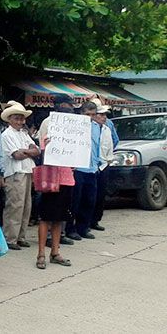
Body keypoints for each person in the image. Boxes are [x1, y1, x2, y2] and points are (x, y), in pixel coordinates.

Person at [36, 95, 76, 269]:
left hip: (67, 176)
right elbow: (43, 148)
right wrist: (51, 145)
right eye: (67, 105)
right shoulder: (48, 122)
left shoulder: (74, 125)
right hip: (51, 176)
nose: (69, 108)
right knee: (46, 216)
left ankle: (55, 252)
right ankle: (41, 254)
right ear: (59, 106)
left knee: (60, 217)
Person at [1, 101, 40, 251]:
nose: (20, 121)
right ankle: (10, 237)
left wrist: (25, 151)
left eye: (21, 118)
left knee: (26, 206)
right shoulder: (7, 135)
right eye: (16, 118)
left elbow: (36, 151)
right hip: (15, 173)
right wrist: (28, 151)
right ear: (10, 119)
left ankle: (20, 236)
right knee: (15, 206)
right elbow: (16, 155)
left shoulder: (24, 133)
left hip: (27, 171)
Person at [66, 101, 102, 241]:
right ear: (81, 113)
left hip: (92, 168)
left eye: (93, 114)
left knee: (89, 200)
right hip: (78, 168)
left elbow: (96, 146)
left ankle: (83, 228)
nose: (90, 117)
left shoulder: (96, 127)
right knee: (75, 201)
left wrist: (98, 163)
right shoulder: (74, 126)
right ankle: (71, 229)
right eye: (87, 114)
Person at [91, 104, 115, 232]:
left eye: (105, 115)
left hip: (104, 164)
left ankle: (95, 220)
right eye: (101, 114)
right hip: (92, 165)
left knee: (100, 195)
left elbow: (112, 144)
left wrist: (108, 160)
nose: (104, 117)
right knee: (90, 196)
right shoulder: (89, 129)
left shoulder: (107, 129)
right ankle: (85, 222)